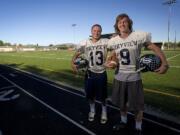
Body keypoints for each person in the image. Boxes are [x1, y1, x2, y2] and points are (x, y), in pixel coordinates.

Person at [106, 13, 169, 134]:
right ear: (117, 26)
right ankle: (123, 121)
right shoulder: (114, 40)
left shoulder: (138, 36)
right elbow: (114, 55)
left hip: (134, 77)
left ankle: (138, 127)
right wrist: (112, 62)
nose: (122, 24)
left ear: (129, 23)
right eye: (119, 22)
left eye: (124, 21)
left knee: (137, 106)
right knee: (122, 104)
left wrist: (164, 63)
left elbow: (155, 48)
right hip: (119, 77)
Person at [71, 24, 109, 124]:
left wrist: (111, 59)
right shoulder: (85, 43)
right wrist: (72, 63)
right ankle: (92, 111)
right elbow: (77, 53)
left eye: (98, 31)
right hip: (89, 73)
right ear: (91, 32)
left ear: (101, 32)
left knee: (103, 97)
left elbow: (115, 50)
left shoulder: (106, 41)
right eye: (94, 30)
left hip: (101, 73)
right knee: (90, 96)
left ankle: (104, 112)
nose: (96, 32)